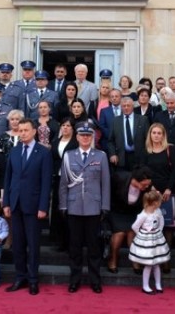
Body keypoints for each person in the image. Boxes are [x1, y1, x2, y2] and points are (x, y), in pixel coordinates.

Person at [3, 118, 53, 295]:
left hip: (33, 206)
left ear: (34, 132)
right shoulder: (14, 151)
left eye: (26, 130)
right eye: (20, 130)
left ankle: (33, 279)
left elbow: (46, 182)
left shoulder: (44, 153)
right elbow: (8, 178)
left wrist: (43, 206)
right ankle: (20, 277)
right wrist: (6, 202)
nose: (22, 133)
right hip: (15, 204)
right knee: (17, 244)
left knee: (33, 245)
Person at [59, 121, 110, 294]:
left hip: (94, 208)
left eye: (89, 135)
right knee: (75, 247)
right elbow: (64, 183)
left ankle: (95, 281)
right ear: (77, 137)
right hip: (73, 207)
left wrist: (105, 206)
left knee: (94, 247)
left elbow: (106, 183)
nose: (85, 138)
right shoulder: (69, 156)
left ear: (93, 137)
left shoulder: (101, 156)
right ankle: (75, 280)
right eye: (82, 135)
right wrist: (63, 205)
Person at [142, 123, 175, 273]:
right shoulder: (146, 151)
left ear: (163, 135)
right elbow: (142, 171)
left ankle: (165, 259)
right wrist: (151, 187)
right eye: (154, 133)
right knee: (151, 227)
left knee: (167, 228)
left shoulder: (170, 149)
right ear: (150, 135)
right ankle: (151, 258)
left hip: (167, 194)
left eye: (159, 133)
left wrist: (169, 189)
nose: (156, 135)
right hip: (151, 193)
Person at [108, 165, 154, 274]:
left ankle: (135, 261)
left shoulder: (147, 186)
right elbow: (107, 193)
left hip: (133, 213)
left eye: (148, 184)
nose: (147, 186)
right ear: (136, 180)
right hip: (116, 211)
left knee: (132, 235)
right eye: (144, 184)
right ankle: (113, 259)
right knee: (119, 234)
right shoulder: (119, 178)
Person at [129, 190, 170, 295]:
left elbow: (161, 222)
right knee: (148, 264)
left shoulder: (158, 211)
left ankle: (158, 284)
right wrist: (142, 234)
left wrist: (159, 231)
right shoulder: (143, 215)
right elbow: (134, 226)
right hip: (146, 241)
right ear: (155, 202)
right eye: (160, 202)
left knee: (156, 264)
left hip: (156, 239)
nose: (160, 203)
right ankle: (145, 286)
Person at [50, 118, 78, 251]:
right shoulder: (55, 142)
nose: (65, 128)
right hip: (58, 178)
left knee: (70, 209)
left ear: (73, 128)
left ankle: (71, 240)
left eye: (68, 125)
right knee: (58, 209)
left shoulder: (77, 142)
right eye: (63, 125)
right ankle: (59, 240)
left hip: (72, 180)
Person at [108, 96, 150, 171]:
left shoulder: (143, 120)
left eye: (128, 105)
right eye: (124, 106)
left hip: (139, 157)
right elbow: (110, 140)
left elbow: (148, 139)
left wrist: (146, 154)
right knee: (125, 181)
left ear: (133, 106)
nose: (126, 108)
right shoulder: (115, 121)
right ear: (121, 107)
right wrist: (112, 154)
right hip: (121, 157)